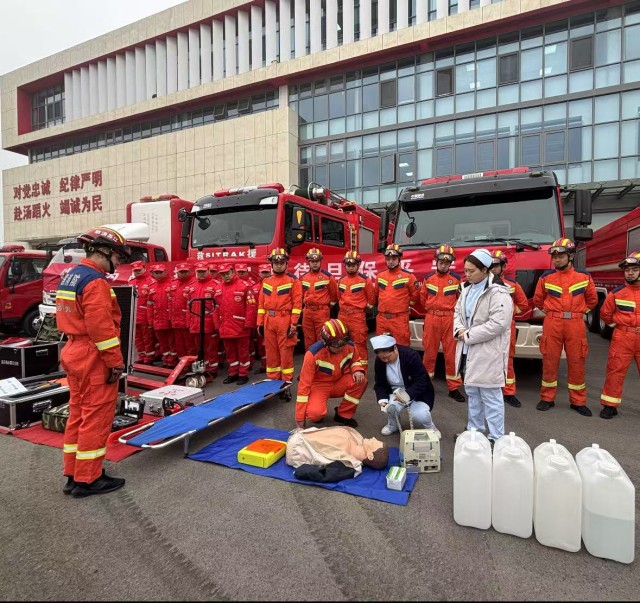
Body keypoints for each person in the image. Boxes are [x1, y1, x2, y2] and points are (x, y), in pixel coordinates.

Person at [55, 226, 129, 498]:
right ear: (104, 251)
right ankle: (89, 479)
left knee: (78, 414)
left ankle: (73, 474)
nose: (118, 263)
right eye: (118, 257)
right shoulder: (96, 282)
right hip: (93, 355)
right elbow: (101, 329)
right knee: (96, 417)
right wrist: (115, 363)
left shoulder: (72, 276)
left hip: (74, 351)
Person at [454, 249, 513, 445]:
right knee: (472, 393)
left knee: (490, 395)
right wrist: (459, 329)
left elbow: (499, 323)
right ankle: (474, 431)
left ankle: (496, 437)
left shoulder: (498, 292)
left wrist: (468, 335)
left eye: (471, 271)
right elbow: (457, 313)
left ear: (485, 270)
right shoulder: (466, 289)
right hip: (468, 349)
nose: (467, 274)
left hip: (488, 351)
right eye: (465, 270)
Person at [533, 238, 597, 416]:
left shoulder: (584, 277)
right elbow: (538, 299)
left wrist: (579, 312)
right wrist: (551, 312)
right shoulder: (546, 278)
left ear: (571, 256)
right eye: (554, 256)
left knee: (577, 361)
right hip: (552, 322)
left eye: (560, 256)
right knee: (549, 360)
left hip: (575, 323)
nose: (557, 259)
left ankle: (578, 401)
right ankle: (547, 398)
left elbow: (592, 300)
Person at [295, 319, 367, 428]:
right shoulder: (313, 354)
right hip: (319, 386)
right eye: (336, 343)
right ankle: (318, 410)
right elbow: (303, 385)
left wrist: (357, 370)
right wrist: (300, 418)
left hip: (340, 381)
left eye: (343, 341)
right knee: (315, 415)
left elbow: (356, 360)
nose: (341, 346)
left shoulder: (350, 346)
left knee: (361, 381)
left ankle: (343, 414)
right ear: (326, 342)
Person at [419, 244, 465, 403]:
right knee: (429, 353)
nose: (443, 265)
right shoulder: (428, 279)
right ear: (436, 262)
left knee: (451, 355)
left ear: (450, 263)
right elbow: (422, 298)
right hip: (432, 318)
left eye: (446, 262)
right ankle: (425, 385)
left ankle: (453, 388)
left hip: (449, 320)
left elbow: (461, 301)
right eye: (441, 262)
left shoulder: (457, 280)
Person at [370, 334, 440, 438]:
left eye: (388, 357)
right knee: (390, 408)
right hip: (395, 392)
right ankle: (393, 425)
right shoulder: (380, 361)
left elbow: (422, 380)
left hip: (417, 392)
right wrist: (382, 401)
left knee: (420, 415)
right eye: (382, 358)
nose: (385, 360)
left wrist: (407, 394)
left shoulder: (410, 355)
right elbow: (380, 383)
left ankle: (430, 427)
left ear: (395, 348)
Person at [598, 251, 640, 419]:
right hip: (623, 337)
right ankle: (610, 406)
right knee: (615, 371)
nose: (630, 273)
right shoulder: (616, 293)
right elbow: (605, 314)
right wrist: (619, 327)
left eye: (634, 269)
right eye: (627, 270)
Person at [256, 248, 303, 389]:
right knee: (271, 353)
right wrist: (260, 323)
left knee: (285, 354)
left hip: (285, 320)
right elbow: (261, 304)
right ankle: (273, 382)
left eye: (281, 263)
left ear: (286, 264)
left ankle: (286, 384)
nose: (278, 265)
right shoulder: (266, 281)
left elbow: (297, 305)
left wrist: (293, 323)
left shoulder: (293, 281)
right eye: (276, 263)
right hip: (268, 320)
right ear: (271, 264)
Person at [490, 249, 529, 408]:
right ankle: (489, 391)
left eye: (496, 266)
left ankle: (509, 393)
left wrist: (509, 313)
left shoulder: (512, 285)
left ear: (503, 266)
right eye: (490, 265)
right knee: (487, 358)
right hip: (487, 327)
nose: (493, 269)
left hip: (507, 327)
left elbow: (523, 305)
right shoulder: (481, 285)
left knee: (507, 359)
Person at [286, 426, 389, 480]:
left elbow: (325, 475)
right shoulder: (358, 439)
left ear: (370, 456)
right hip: (304, 435)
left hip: (298, 446)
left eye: (376, 443)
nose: (374, 438)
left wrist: (300, 472)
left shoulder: (349, 465)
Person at [213, 263, 257, 385]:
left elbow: (251, 306)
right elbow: (215, 308)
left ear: (233, 272)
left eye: (227, 273)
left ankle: (243, 374)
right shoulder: (218, 288)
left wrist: (248, 323)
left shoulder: (244, 286)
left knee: (243, 352)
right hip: (225, 326)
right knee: (230, 352)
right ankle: (233, 373)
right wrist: (217, 325)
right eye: (223, 274)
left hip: (240, 326)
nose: (225, 276)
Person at [373, 244, 418, 346]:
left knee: (402, 347)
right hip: (382, 319)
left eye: (394, 259)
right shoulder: (380, 276)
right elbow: (376, 294)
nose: (391, 261)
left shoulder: (408, 276)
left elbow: (415, 294)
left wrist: (407, 304)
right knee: (381, 348)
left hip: (399, 319)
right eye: (388, 259)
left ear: (399, 259)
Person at [337, 251, 375, 369]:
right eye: (348, 265)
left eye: (353, 265)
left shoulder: (365, 280)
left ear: (358, 265)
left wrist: (359, 310)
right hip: (342, 316)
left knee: (359, 345)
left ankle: (362, 372)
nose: (351, 267)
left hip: (357, 317)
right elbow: (339, 297)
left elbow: (371, 300)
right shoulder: (341, 281)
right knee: (341, 344)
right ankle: (345, 370)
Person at [185, 262, 219, 377]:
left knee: (211, 348)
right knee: (198, 348)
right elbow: (188, 306)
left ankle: (212, 369)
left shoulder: (215, 285)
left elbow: (218, 307)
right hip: (195, 323)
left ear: (208, 271)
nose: (201, 274)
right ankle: (201, 368)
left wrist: (216, 325)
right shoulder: (192, 286)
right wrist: (188, 322)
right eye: (199, 272)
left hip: (209, 323)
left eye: (203, 271)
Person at [300, 248, 338, 350]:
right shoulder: (303, 277)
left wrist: (326, 307)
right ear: (308, 262)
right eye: (312, 261)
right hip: (307, 312)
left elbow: (334, 295)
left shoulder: (328, 277)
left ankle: (322, 359)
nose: (315, 264)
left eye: (317, 261)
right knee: (308, 340)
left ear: (320, 261)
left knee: (322, 338)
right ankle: (310, 359)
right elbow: (301, 294)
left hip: (321, 312)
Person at [129, 260, 156, 364]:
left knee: (148, 337)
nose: (137, 272)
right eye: (135, 270)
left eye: (139, 270)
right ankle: (141, 356)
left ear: (144, 268)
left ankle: (149, 357)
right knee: (137, 338)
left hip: (145, 315)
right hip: (134, 315)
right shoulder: (131, 282)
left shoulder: (151, 281)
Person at [170, 262, 196, 359]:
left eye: (185, 271)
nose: (183, 274)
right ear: (177, 272)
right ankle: (181, 363)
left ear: (190, 271)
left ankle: (190, 363)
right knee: (179, 345)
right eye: (181, 272)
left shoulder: (194, 283)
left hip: (188, 320)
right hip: (176, 320)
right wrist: (171, 317)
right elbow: (170, 301)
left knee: (190, 344)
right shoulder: (173, 283)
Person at [251, 263, 272, 374]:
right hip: (259, 320)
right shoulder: (254, 288)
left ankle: (272, 365)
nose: (265, 275)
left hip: (272, 319)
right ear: (259, 274)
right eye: (263, 273)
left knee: (272, 344)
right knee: (261, 345)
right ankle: (264, 366)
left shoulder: (274, 285)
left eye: (267, 272)